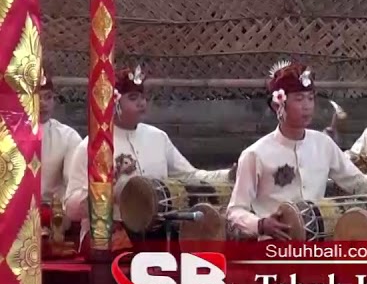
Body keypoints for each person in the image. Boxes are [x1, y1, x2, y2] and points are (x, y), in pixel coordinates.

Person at [226, 62, 367, 240]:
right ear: (278, 104)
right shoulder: (255, 154)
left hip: (318, 245)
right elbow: (235, 210)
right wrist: (260, 225)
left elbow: (358, 184)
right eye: (299, 99)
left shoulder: (323, 144)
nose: (307, 106)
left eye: (310, 98)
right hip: (273, 248)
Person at [64, 66, 228, 251]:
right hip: (110, 235)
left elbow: (190, 176)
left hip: (159, 232)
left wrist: (227, 175)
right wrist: (108, 189)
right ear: (113, 103)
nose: (141, 103)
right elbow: (70, 208)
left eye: (142, 97)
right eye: (133, 98)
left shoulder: (158, 137)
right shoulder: (92, 146)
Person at [39, 67, 81, 203]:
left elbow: (74, 182)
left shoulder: (68, 137)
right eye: (37, 97)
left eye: (48, 97)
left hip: (52, 213)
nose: (42, 103)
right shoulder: (7, 133)